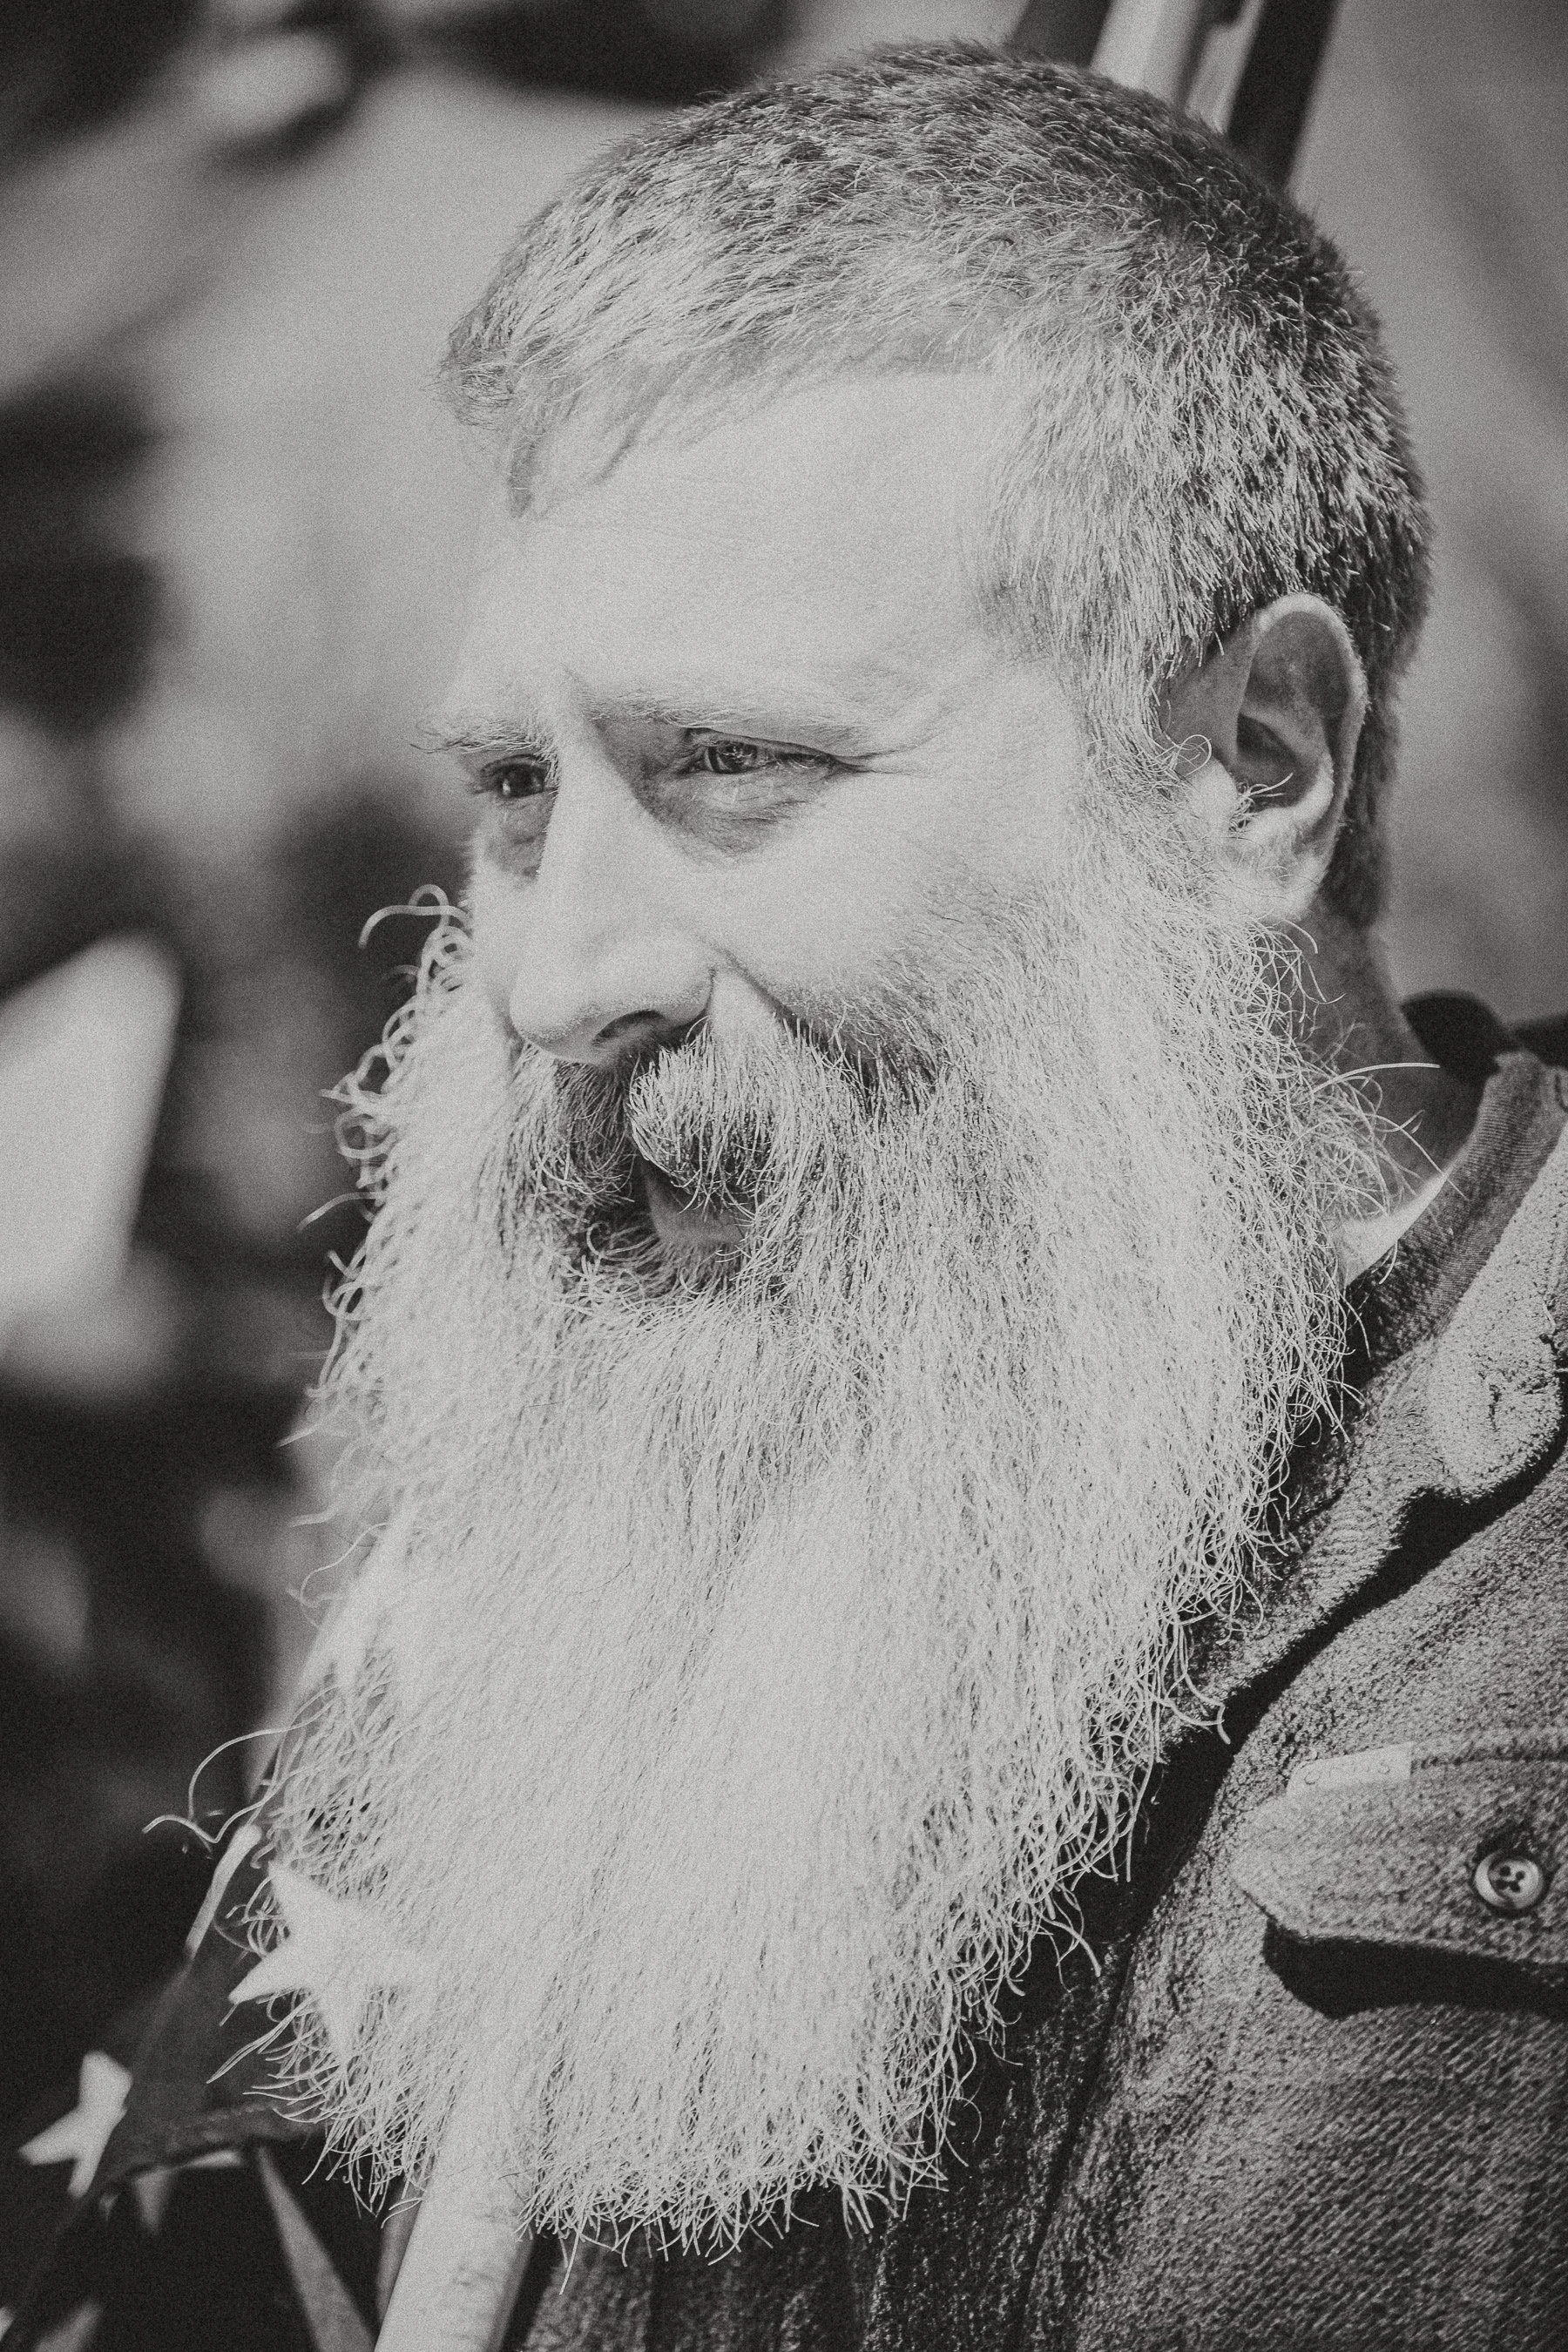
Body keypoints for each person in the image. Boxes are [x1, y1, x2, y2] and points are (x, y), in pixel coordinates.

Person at [6, 43, 1567, 2352]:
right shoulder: (553, 1516)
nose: (552, 975)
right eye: (522, 788)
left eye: (734, 768)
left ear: (1256, 766)